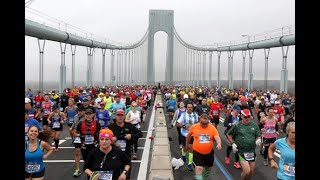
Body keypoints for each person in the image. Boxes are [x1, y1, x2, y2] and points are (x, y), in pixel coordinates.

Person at [227, 109, 261, 180]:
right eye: (246, 117)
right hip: (241, 151)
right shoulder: (237, 125)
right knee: (246, 171)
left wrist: (258, 140)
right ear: (241, 116)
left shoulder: (254, 125)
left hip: (251, 151)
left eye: (249, 117)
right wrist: (233, 143)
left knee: (251, 171)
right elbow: (229, 134)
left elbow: (258, 135)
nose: (248, 118)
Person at [108, 109, 142, 179]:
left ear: (124, 116)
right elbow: (103, 138)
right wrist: (111, 140)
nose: (120, 117)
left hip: (126, 154)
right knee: (115, 176)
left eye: (121, 115)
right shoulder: (111, 127)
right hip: (114, 155)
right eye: (118, 115)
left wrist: (131, 136)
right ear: (115, 116)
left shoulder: (129, 126)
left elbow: (140, 133)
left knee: (126, 175)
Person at [186, 114, 222, 180]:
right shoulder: (194, 127)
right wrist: (187, 144)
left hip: (209, 153)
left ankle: (204, 178)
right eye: (203, 123)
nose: (205, 125)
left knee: (208, 168)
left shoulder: (212, 127)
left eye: (206, 123)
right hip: (198, 153)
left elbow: (217, 137)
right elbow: (188, 136)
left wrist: (219, 143)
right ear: (200, 120)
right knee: (198, 169)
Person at [176, 102, 198, 171]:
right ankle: (183, 152)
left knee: (191, 148)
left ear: (192, 108)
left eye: (191, 107)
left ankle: (189, 163)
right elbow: (177, 124)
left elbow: (197, 123)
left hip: (192, 135)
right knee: (186, 147)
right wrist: (184, 126)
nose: (190, 108)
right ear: (186, 108)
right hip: (184, 134)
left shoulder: (195, 115)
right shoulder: (183, 115)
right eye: (188, 107)